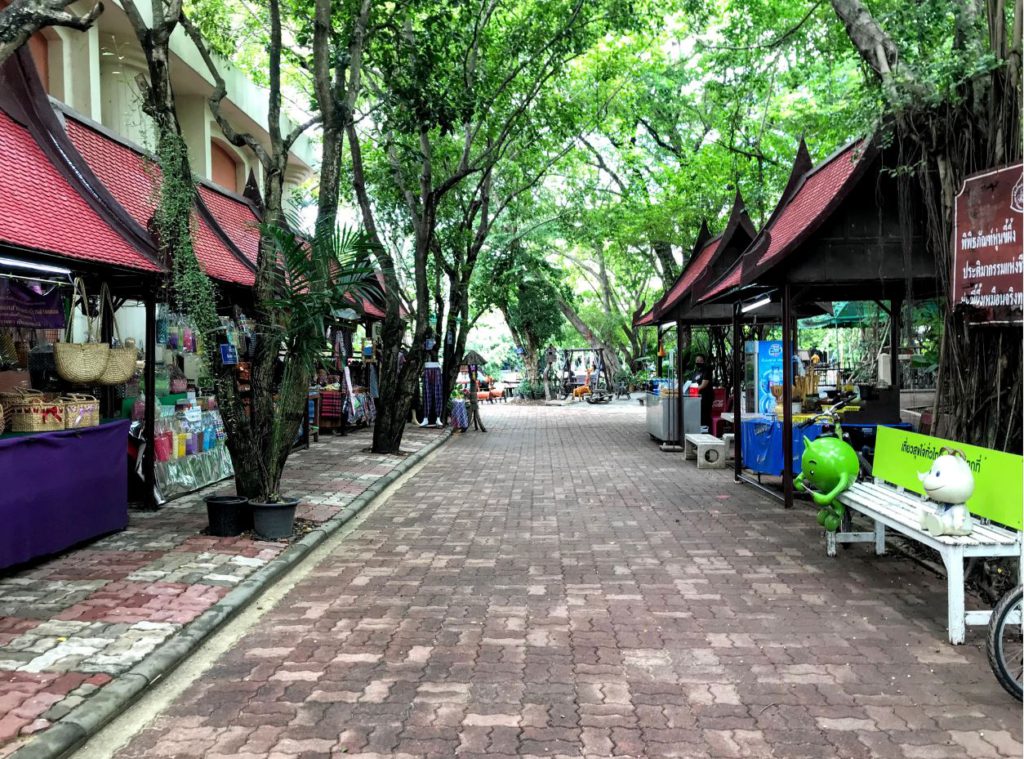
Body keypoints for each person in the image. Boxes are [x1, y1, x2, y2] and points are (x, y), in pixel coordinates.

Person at [689, 354, 714, 429]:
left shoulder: (707, 370)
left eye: (700, 360)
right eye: (696, 360)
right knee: (698, 415)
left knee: (705, 415)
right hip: (697, 397)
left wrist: (694, 390)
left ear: (703, 361)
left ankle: (706, 431)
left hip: (706, 396)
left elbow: (704, 384)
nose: (698, 362)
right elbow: (692, 382)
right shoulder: (696, 371)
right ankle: (698, 430)